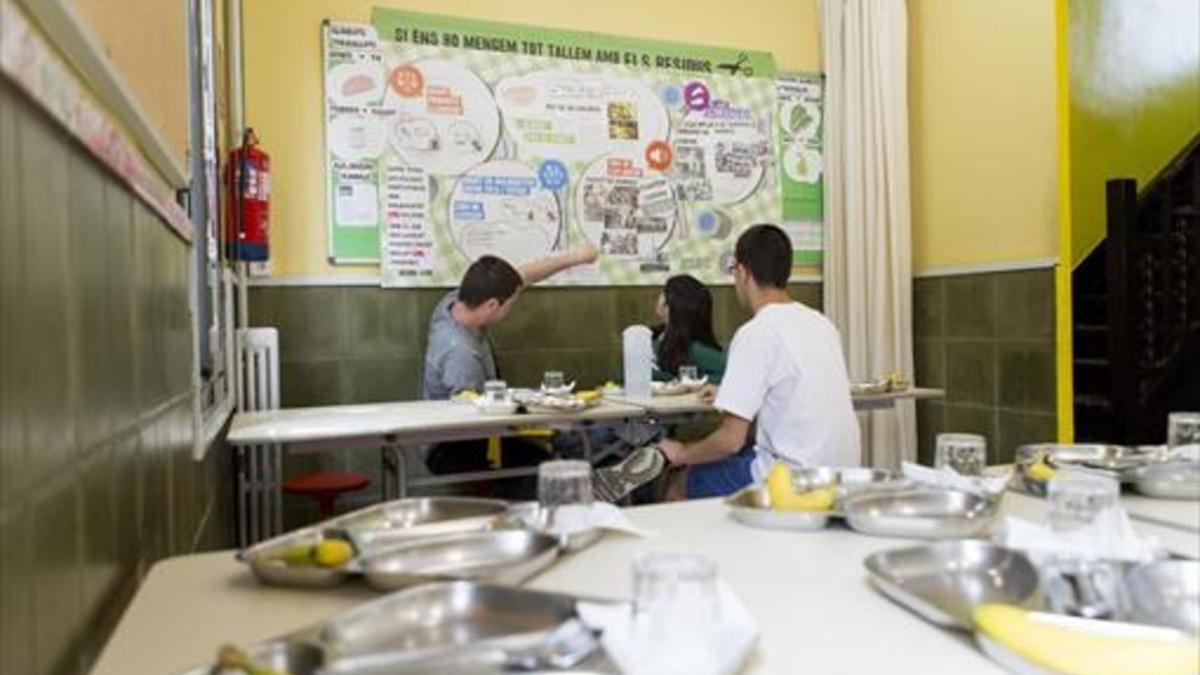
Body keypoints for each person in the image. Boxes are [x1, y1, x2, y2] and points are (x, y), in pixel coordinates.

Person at [651, 224, 860, 499]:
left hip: (791, 478)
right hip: (843, 473)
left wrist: (681, 453)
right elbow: (792, 394)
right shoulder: (821, 323)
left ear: (742, 272)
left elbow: (729, 441)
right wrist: (730, 393)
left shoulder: (756, 332)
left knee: (679, 480)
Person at [422, 246, 597, 477]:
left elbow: (522, 275)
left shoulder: (456, 302)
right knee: (552, 463)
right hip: (456, 445)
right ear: (493, 305)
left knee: (563, 438)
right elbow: (474, 417)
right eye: (511, 304)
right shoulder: (461, 353)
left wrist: (576, 257)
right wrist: (535, 420)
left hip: (476, 429)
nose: (513, 308)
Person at [652, 275, 726, 384]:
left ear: (670, 307)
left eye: (664, 292)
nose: (660, 296)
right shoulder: (651, 337)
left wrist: (698, 381)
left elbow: (734, 373)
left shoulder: (696, 351)